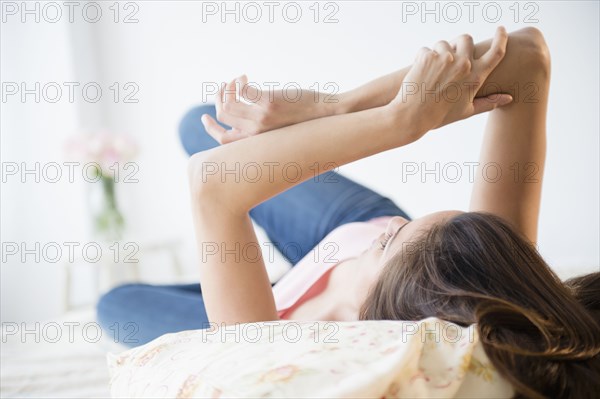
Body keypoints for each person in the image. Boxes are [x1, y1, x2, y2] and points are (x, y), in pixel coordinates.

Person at [97, 27, 599, 397]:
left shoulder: (272, 344)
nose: (397, 230)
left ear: (380, 318)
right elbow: (528, 57)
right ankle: (268, 260)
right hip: (346, 226)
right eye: (406, 227)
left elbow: (212, 179)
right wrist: (334, 108)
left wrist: (401, 122)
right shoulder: (488, 263)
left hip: (271, 301)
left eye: (392, 241)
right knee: (201, 122)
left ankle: (253, 271)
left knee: (116, 305)